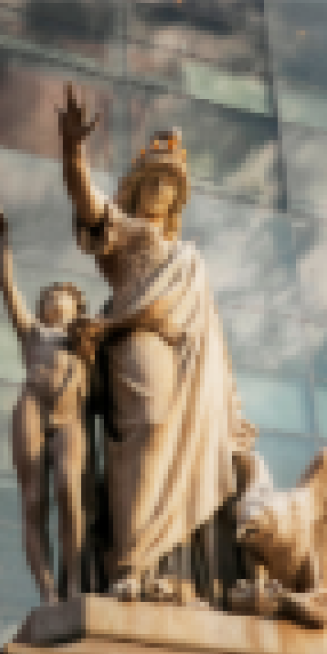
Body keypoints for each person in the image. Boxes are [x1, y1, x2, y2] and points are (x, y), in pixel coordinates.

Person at [56, 85, 258, 606]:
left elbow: (215, 341)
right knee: (148, 428)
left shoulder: (188, 257)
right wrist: (73, 151)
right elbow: (86, 200)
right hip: (136, 341)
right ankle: (130, 563)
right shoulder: (126, 233)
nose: (161, 192)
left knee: (183, 446)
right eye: (154, 182)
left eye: (170, 185)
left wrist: (232, 413)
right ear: (138, 188)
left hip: (189, 364)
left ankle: (165, 572)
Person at [0, 200, 93, 604]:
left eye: (58, 294)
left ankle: (74, 583)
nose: (50, 300)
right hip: (32, 405)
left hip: (70, 414)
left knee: (69, 490)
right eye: (46, 296)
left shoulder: (87, 339)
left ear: (75, 305)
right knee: (34, 499)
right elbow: (8, 287)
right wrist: (4, 238)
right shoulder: (33, 333)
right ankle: (48, 592)